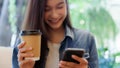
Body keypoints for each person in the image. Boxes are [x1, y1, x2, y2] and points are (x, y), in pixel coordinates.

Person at [12, 0, 99, 68]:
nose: (54, 15)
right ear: (37, 11)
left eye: (60, 7)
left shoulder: (86, 39)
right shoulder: (23, 43)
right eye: (46, 9)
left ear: (66, 5)